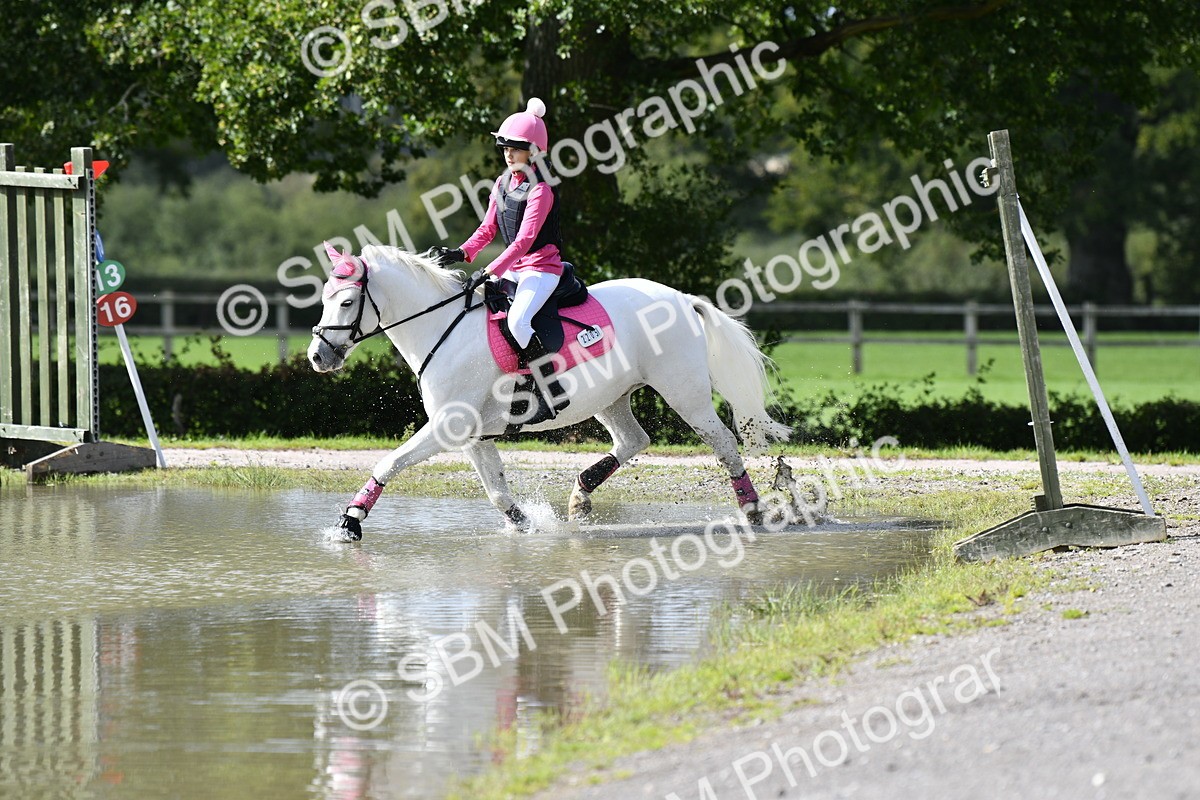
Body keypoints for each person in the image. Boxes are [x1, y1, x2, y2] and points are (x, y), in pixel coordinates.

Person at [433, 97, 570, 420]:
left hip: (541, 269)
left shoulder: (541, 190)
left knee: (518, 321)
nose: (508, 153)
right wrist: (462, 252)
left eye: (516, 147)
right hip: (516, 269)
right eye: (505, 147)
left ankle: (549, 390)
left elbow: (524, 240)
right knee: (474, 310)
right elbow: (488, 227)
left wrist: (490, 269)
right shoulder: (502, 182)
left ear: (533, 151)